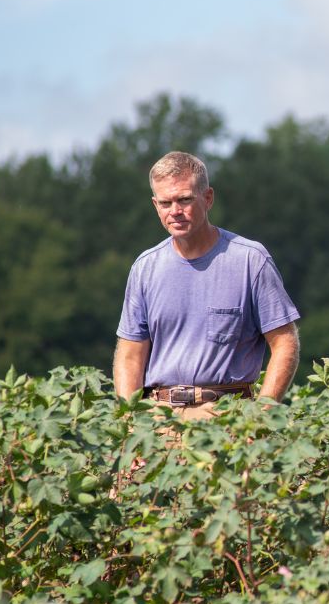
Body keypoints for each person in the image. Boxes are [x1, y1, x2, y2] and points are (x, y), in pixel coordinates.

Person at [113, 151, 301, 418]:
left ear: (208, 198)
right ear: (155, 205)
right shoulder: (145, 267)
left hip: (226, 416)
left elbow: (284, 342)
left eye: (185, 200)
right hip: (157, 418)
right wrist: (128, 427)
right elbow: (130, 355)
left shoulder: (250, 260)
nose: (175, 211)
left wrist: (262, 415)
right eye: (165, 203)